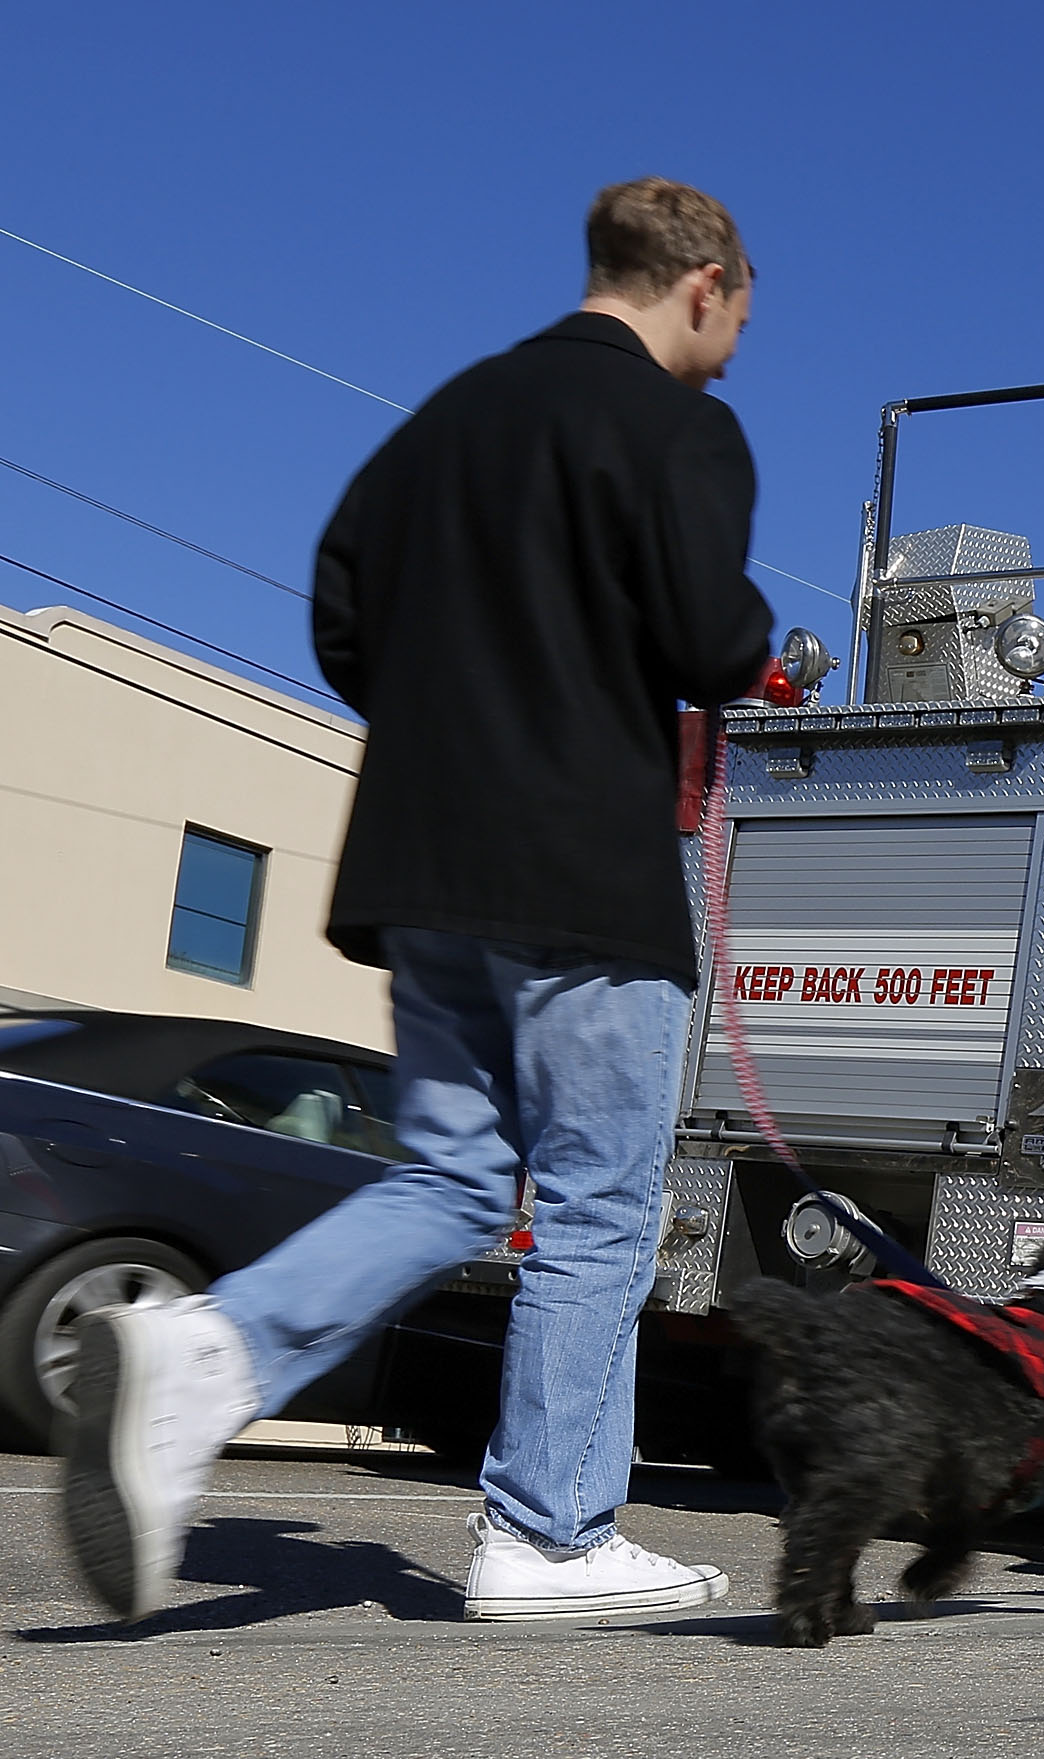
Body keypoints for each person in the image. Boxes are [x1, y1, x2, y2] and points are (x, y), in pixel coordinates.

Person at [59, 178, 777, 1624]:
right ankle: (551, 1535)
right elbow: (713, 641)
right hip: (578, 874)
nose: (738, 348)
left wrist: (462, 717)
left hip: (420, 872)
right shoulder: (680, 428)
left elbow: (341, 619)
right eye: (742, 318)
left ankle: (203, 1360)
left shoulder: (443, 421)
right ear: (702, 284)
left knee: (451, 1180)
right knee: (597, 1209)